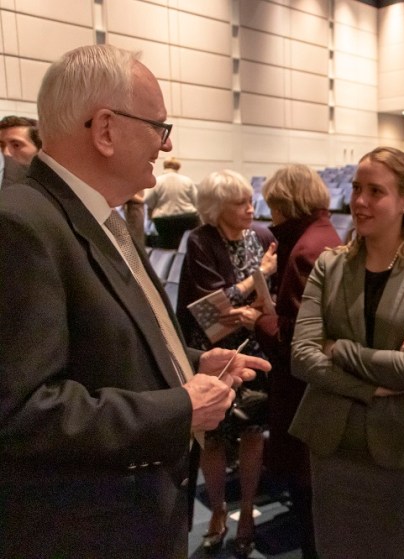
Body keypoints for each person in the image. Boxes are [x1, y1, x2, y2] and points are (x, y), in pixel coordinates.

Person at [0, 44, 269, 558]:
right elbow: (23, 409)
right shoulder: (21, 225)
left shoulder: (100, 216)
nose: (167, 144)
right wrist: (181, 405)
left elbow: (108, 345)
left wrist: (189, 362)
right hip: (87, 531)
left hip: (134, 515)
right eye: (158, 127)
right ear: (105, 130)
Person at [290, 146, 404, 558]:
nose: (360, 201)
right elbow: (301, 355)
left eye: (375, 191)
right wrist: (369, 387)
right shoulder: (330, 265)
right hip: (333, 443)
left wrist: (339, 348)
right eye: (356, 189)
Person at [176, 169, 278, 558]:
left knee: (253, 431)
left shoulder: (264, 236)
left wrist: (238, 304)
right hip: (212, 353)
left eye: (251, 200)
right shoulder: (201, 241)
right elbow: (208, 309)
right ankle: (219, 511)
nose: (251, 208)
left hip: (253, 347)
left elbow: (250, 303)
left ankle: (248, 512)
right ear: (217, 208)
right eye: (240, 203)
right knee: (212, 436)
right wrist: (258, 277)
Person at [253, 164, 342, 559]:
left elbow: (298, 342)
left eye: (273, 208)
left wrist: (259, 321)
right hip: (313, 393)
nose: (270, 217)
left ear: (287, 204)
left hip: (305, 396)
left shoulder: (307, 249)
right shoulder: (319, 237)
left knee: (313, 512)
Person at [145, 156, 200, 248]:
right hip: (187, 218)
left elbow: (147, 200)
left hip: (164, 220)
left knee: (167, 246)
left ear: (164, 166)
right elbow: (197, 200)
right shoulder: (187, 180)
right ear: (178, 167)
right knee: (186, 245)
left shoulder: (157, 181)